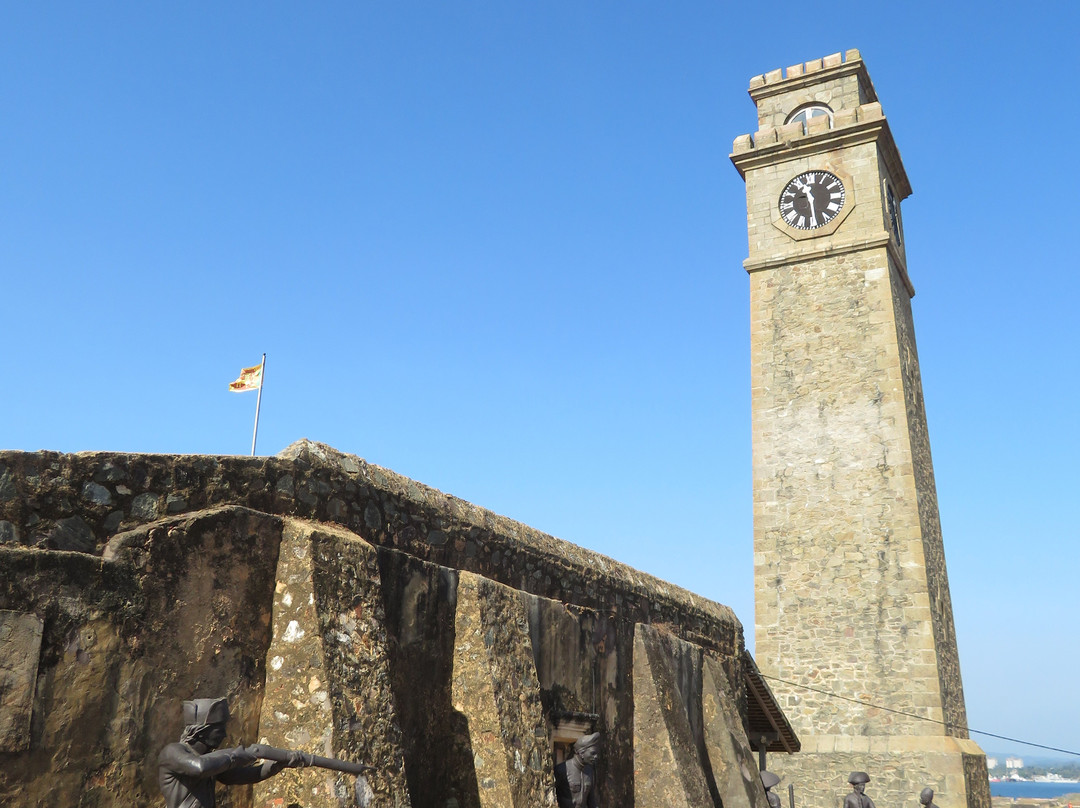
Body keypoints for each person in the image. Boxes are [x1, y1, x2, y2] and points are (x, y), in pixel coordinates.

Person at [158, 697, 306, 808]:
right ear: (202, 730)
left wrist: (277, 765)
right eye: (219, 729)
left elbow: (247, 775)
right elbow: (200, 767)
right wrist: (237, 755)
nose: (224, 735)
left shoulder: (212, 760)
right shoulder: (172, 752)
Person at [554, 732, 601, 808]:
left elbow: (591, 801)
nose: (596, 756)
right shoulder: (561, 770)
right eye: (593, 753)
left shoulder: (590, 771)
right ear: (581, 753)